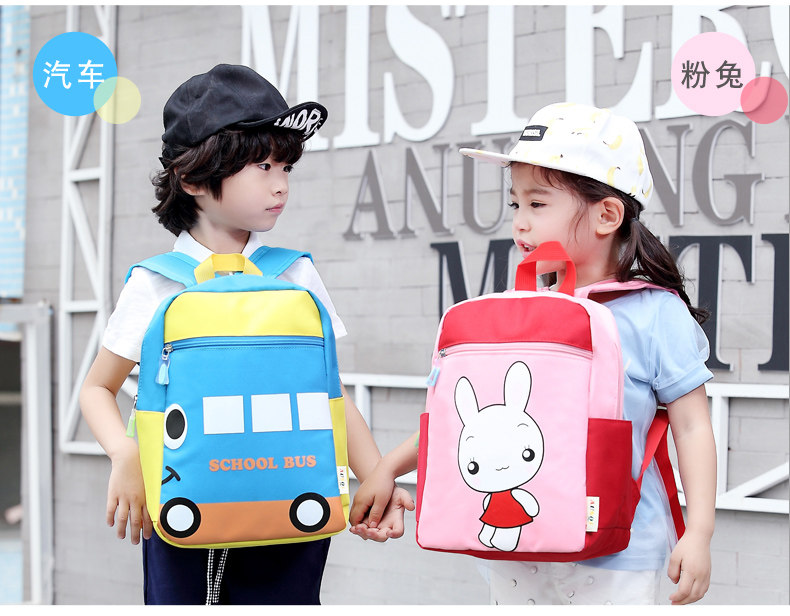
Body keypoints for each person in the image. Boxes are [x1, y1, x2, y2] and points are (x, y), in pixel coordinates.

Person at [349, 102, 717, 606]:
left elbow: (692, 426)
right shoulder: (525, 308)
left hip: (619, 548)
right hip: (516, 541)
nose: (520, 223)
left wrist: (699, 532)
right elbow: (474, 419)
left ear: (607, 215)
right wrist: (388, 466)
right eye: (515, 205)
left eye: (537, 204)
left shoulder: (654, 311)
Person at [79, 63, 409, 605]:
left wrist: (377, 481)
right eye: (262, 166)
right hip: (181, 502)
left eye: (285, 166)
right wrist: (124, 455)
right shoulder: (156, 282)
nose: (280, 184)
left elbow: (328, 393)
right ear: (192, 178)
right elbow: (97, 387)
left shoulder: (294, 274)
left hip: (291, 503)